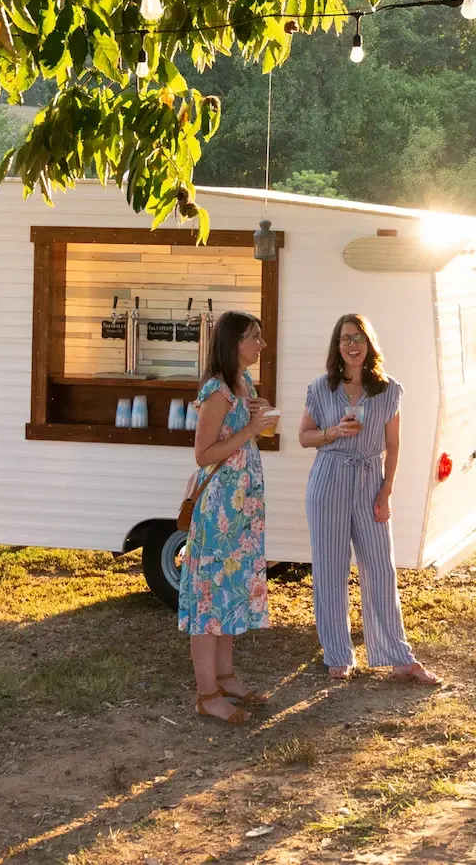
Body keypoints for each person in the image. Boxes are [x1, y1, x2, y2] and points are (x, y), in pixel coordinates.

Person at [299, 315, 439, 684]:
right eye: (345, 338)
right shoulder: (320, 388)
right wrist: (332, 432)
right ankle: (338, 654)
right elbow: (304, 436)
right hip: (329, 477)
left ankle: (398, 655)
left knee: (380, 568)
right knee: (329, 569)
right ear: (337, 345)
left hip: (369, 477)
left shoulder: (388, 389)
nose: (352, 344)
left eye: (358, 337)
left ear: (369, 343)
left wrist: (386, 489)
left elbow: (393, 445)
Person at [180, 311, 275, 726]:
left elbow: (257, 436)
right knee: (208, 599)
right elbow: (203, 455)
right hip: (220, 510)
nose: (261, 344)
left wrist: (263, 417)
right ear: (235, 342)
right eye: (255, 337)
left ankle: (227, 676)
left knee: (231, 591)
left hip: (241, 510)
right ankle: (208, 694)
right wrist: (251, 429)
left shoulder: (244, 384)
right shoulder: (217, 391)